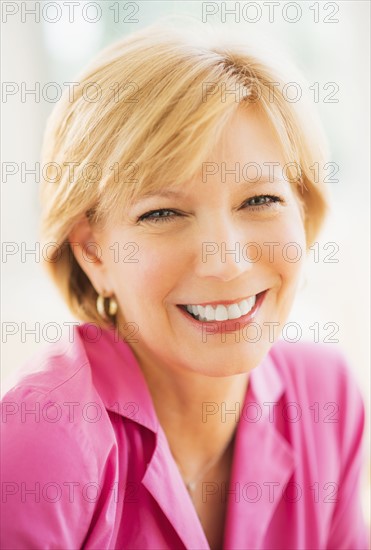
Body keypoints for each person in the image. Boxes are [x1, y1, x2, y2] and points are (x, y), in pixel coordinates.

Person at [1, 19, 369, 550]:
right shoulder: (39, 445)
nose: (226, 262)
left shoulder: (325, 395)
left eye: (260, 200)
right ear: (93, 251)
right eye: (163, 212)